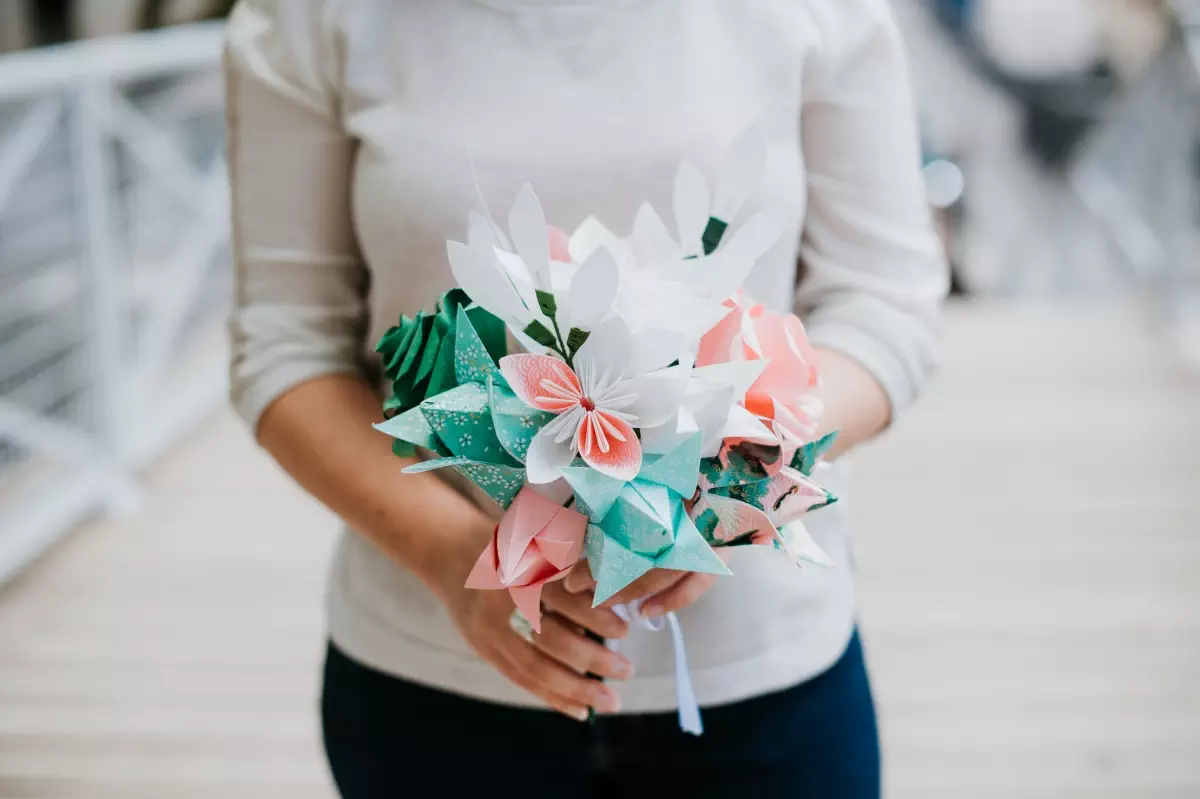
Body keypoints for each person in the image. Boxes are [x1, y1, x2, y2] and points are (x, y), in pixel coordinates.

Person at [223, 1, 946, 796]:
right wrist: (458, 555)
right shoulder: (311, 17)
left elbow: (882, 303)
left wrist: (724, 493)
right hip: (434, 695)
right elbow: (287, 346)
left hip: (761, 689)